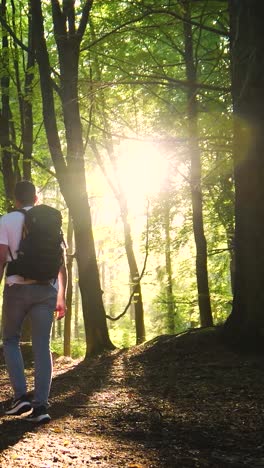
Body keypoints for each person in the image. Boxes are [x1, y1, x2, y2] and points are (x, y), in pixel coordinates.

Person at [0, 180, 67, 423]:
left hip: (17, 288)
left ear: (15, 199)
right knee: (42, 346)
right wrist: (62, 296)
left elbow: (0, 259)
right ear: (36, 198)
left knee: (10, 340)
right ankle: (41, 408)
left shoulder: (6, 220)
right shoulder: (51, 221)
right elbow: (62, 263)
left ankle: (21, 398)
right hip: (46, 290)